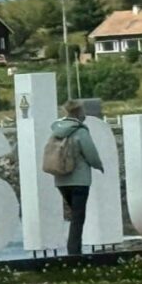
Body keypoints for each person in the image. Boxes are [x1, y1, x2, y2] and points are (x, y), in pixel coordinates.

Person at [49, 100, 104, 255]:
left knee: (74, 214)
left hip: (61, 180)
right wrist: (99, 166)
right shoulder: (81, 131)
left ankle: (73, 249)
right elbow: (91, 154)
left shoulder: (56, 130)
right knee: (78, 217)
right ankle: (74, 251)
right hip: (80, 180)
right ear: (79, 112)